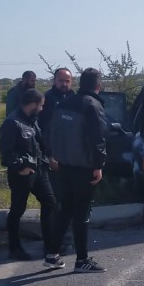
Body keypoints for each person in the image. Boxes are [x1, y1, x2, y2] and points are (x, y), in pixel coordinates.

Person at [45, 68, 107, 273]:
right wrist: (98, 166)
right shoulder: (92, 105)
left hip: (63, 166)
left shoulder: (64, 103)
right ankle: (82, 260)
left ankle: (52, 255)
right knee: (82, 213)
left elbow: (52, 132)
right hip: (84, 168)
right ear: (98, 85)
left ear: (80, 83)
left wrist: (55, 156)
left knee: (64, 210)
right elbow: (98, 139)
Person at [0, 89, 56, 260]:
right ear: (32, 105)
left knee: (50, 203)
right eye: (40, 106)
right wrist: (19, 167)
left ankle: (50, 246)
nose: (42, 109)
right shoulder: (12, 122)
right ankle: (14, 248)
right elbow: (6, 153)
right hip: (22, 173)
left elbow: (39, 142)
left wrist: (49, 158)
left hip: (39, 170)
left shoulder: (32, 120)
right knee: (18, 209)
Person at [38, 67, 76, 255]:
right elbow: (43, 131)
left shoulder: (74, 99)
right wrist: (49, 155)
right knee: (55, 202)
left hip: (72, 158)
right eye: (61, 80)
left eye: (67, 81)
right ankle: (52, 243)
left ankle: (66, 241)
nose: (64, 84)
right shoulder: (47, 101)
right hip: (53, 159)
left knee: (69, 200)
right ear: (54, 81)